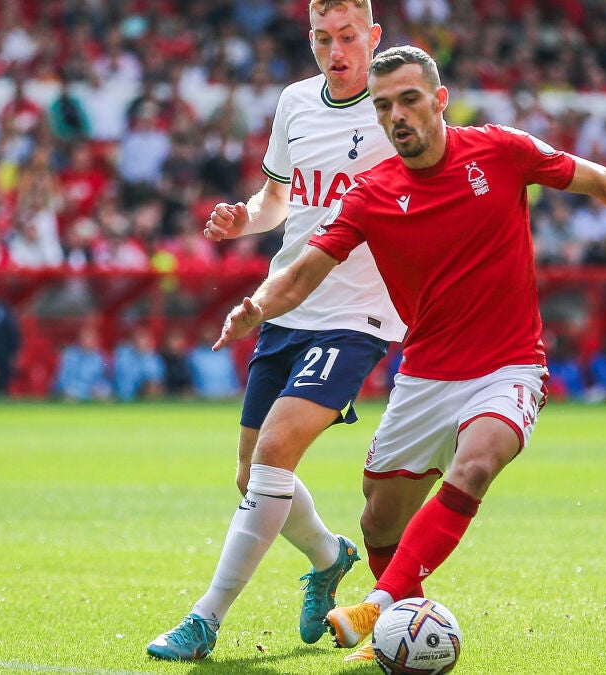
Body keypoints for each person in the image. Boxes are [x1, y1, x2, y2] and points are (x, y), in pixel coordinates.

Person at [211, 45, 606, 660]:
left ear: (440, 100)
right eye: (384, 106)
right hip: (425, 376)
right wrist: (256, 306)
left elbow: (600, 179)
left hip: (509, 366)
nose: (397, 115)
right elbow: (301, 273)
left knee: (477, 464)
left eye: (409, 99)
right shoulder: (370, 194)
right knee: (379, 519)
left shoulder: (499, 150)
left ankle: (378, 608)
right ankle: (401, 627)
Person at [144, 0, 408, 662]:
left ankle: (205, 619)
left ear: (373, 36)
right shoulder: (295, 102)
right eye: (322, 38)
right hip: (285, 304)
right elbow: (277, 201)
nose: (335, 51)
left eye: (348, 37)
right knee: (250, 474)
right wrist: (245, 218)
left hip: (356, 316)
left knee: (273, 453)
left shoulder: (394, 109)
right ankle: (328, 556)